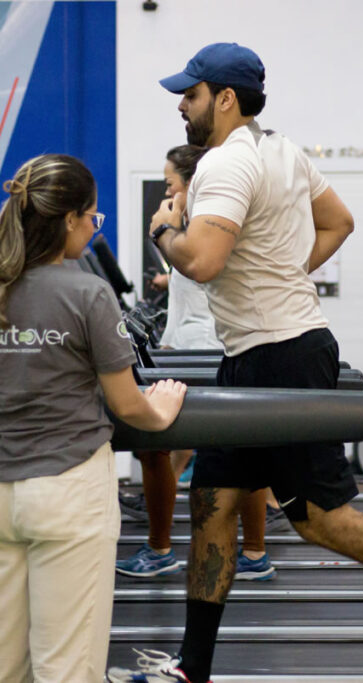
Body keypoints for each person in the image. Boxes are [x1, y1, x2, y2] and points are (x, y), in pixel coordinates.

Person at [107, 43, 363, 683]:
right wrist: (281, 275)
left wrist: (164, 228)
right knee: (212, 501)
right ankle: (193, 668)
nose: (181, 107)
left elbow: (204, 262)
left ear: (223, 98)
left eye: (189, 95)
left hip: (283, 355)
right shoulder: (283, 149)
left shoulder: (224, 165)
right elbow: (340, 221)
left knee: (319, 519)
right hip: (260, 351)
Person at [0, 153, 187, 683]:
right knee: (66, 668)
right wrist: (160, 410)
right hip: (69, 493)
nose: (94, 227)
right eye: (92, 217)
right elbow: (126, 404)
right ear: (69, 219)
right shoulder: (88, 293)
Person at [117, 144, 277, 582]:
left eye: (171, 184)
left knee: (154, 447)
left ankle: (160, 549)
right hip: (198, 344)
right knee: (239, 447)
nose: (167, 193)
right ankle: (254, 554)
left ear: (192, 184)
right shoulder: (209, 223)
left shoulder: (198, 224)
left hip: (202, 348)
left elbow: (204, 269)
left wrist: (163, 231)